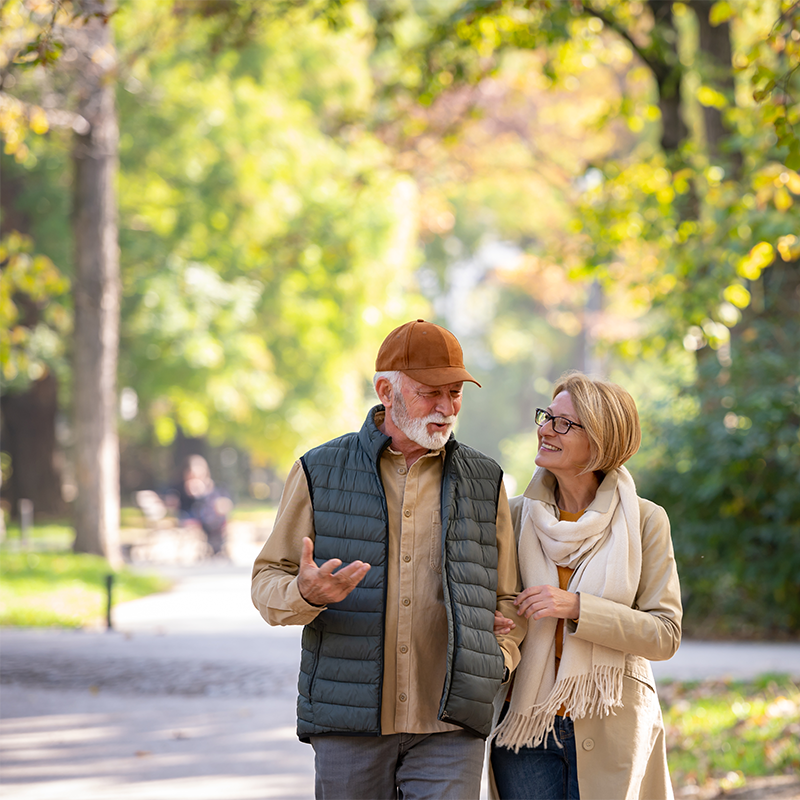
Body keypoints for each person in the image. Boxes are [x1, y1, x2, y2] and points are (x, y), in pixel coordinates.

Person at [251, 319, 527, 800]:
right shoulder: (318, 469)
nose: (446, 408)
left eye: (455, 393)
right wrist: (304, 593)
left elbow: (508, 597)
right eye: (430, 393)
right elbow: (266, 579)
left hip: (451, 724)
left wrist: (497, 662)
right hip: (349, 722)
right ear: (386, 391)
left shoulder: (487, 481)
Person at [490, 372, 682, 800]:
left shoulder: (645, 521)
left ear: (599, 441)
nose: (545, 430)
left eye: (563, 424)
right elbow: (497, 605)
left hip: (611, 720)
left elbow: (664, 634)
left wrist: (577, 606)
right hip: (524, 724)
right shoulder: (513, 515)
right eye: (546, 417)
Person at [169, 455, 232, 556]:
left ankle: (217, 547)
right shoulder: (181, 490)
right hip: (193, 518)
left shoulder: (214, 487)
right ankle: (214, 547)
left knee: (216, 519)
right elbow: (182, 507)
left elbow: (225, 503)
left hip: (212, 520)